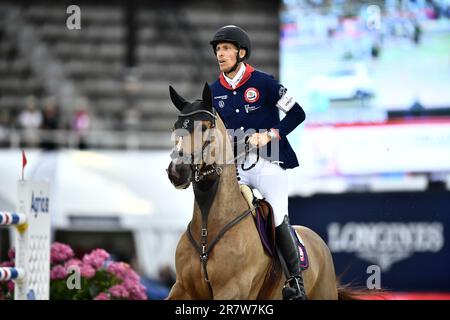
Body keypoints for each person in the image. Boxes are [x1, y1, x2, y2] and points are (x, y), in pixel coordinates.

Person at [209, 25, 307, 300]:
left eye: (226, 48)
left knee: (276, 215)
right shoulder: (214, 90)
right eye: (218, 50)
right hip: (236, 167)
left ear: (241, 52)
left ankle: (295, 281)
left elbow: (298, 114)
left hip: (269, 164)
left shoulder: (264, 82)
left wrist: (270, 134)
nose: (221, 54)